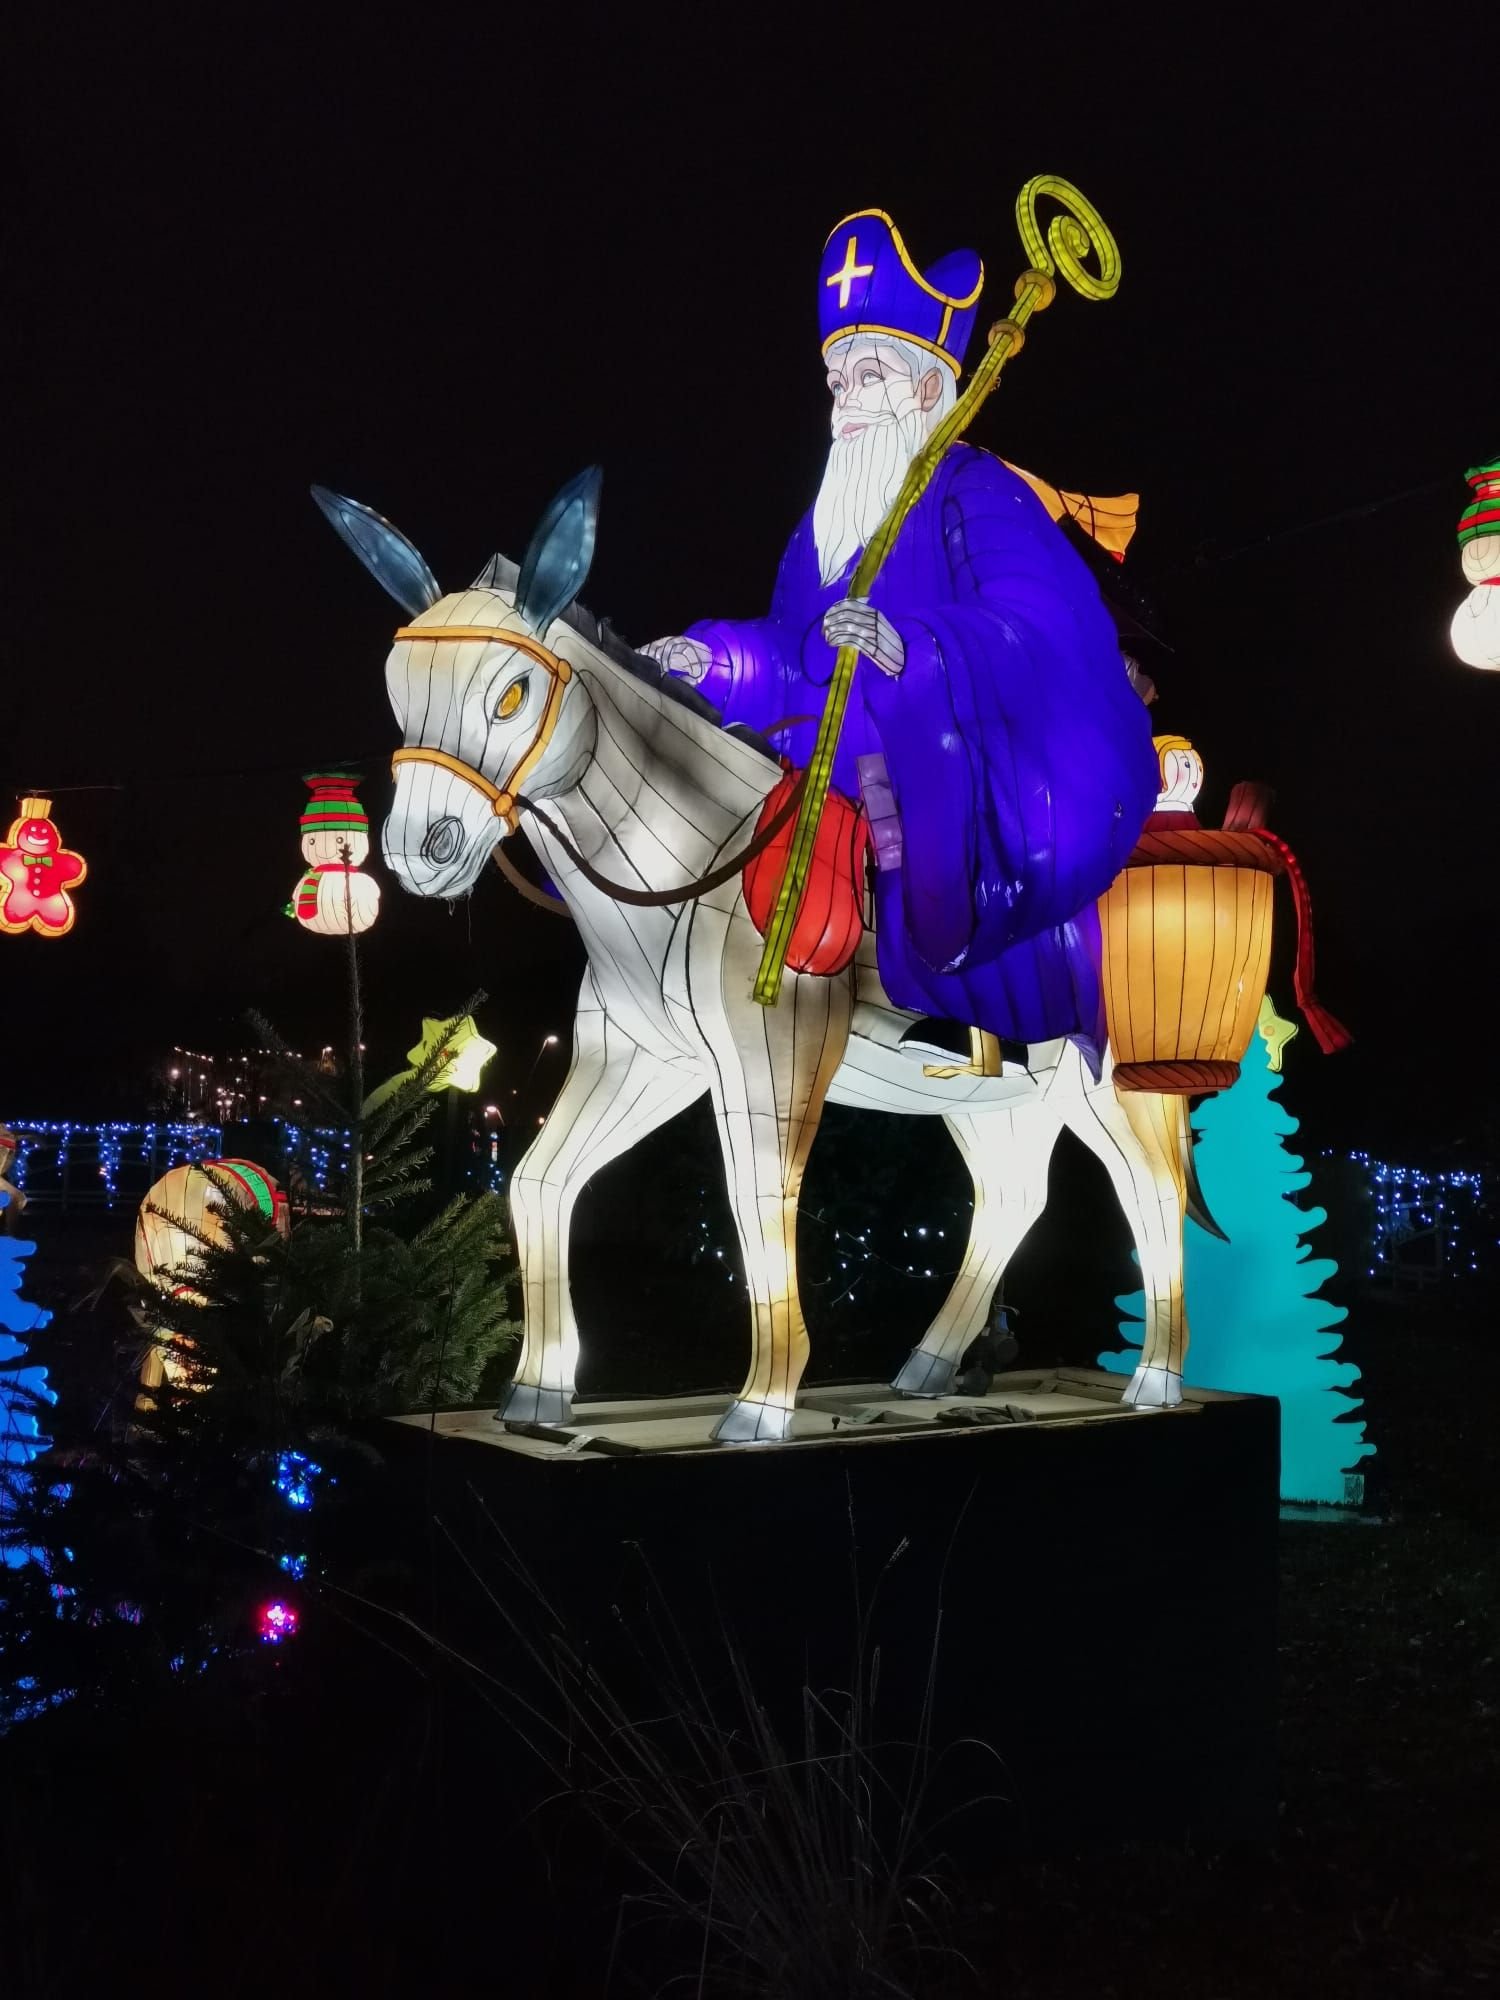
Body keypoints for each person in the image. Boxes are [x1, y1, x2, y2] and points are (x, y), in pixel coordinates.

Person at [644, 209, 1158, 1053]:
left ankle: (962, 991)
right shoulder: (827, 526)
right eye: (837, 382)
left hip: (941, 775)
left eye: (870, 375)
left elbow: (1038, 628)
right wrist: (713, 659)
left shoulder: (975, 490)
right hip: (822, 783)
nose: (845, 403)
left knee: (921, 826)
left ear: (928, 390)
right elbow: (790, 651)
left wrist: (911, 651)